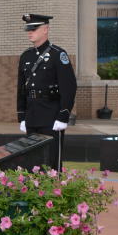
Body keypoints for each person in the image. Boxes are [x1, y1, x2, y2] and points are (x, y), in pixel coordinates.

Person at [16, 14, 76, 170]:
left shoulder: (58, 54)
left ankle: (54, 193)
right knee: (32, 161)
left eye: (34, 29)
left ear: (46, 29)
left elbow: (68, 87)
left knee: (51, 161)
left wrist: (64, 115)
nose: (30, 32)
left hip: (51, 115)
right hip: (32, 115)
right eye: (28, 29)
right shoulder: (26, 56)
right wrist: (21, 115)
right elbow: (22, 88)